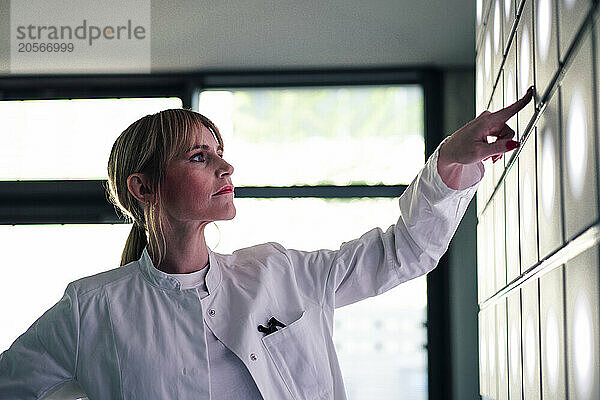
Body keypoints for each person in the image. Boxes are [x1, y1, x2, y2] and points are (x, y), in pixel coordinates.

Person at [0, 87, 533, 400]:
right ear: (143, 188)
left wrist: (449, 163)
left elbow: (404, 253)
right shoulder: (90, 309)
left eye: (220, 152)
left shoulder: (278, 271)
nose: (226, 166)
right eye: (199, 157)